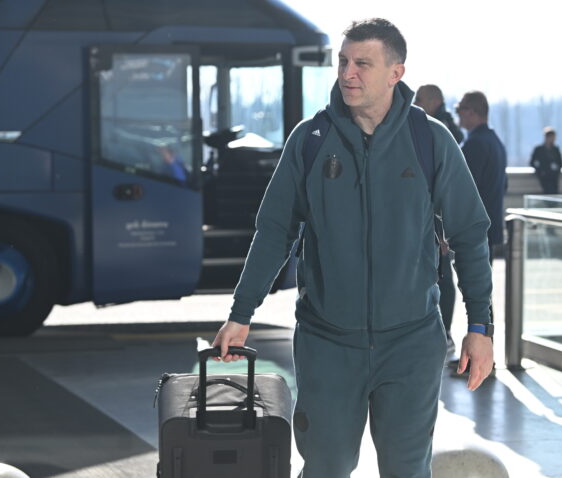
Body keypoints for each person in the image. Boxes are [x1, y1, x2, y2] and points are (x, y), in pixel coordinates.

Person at [212, 18, 494, 478]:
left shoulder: (429, 140)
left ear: (396, 73)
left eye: (363, 63)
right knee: (327, 467)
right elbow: (275, 230)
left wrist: (480, 327)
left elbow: (470, 234)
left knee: (406, 470)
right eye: (343, 61)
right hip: (327, 343)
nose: (348, 73)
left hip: (411, 344)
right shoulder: (310, 140)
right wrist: (242, 312)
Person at [413, 84, 463, 352]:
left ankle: (444, 333)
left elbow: (441, 186)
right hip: (437, 218)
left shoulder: (438, 131)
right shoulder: (442, 128)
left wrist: (442, 231)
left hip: (439, 221)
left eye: (420, 99)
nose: (415, 103)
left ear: (433, 101)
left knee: (442, 276)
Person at [456, 91, 507, 259]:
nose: (457, 114)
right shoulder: (495, 141)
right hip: (490, 223)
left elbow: (465, 189)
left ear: (470, 112)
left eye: (459, 109)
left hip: (475, 228)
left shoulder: (474, 143)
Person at [529, 126, 562, 194]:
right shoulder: (539, 149)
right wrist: (540, 171)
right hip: (543, 176)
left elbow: (560, 162)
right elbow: (532, 162)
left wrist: (557, 170)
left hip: (554, 177)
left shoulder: (556, 149)